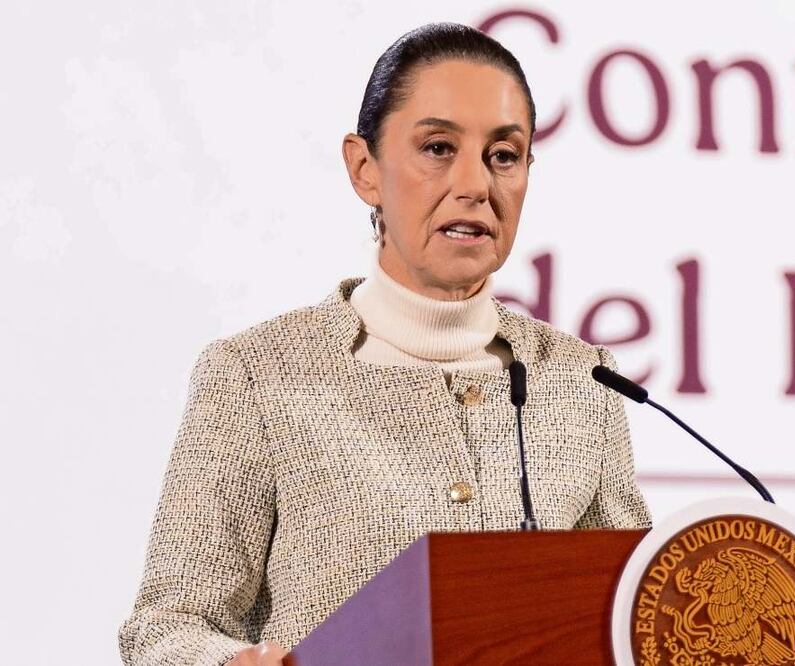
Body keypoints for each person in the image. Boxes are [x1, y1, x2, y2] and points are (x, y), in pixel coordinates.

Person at [118, 22, 651, 666]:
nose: (476, 185)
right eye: (437, 147)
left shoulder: (584, 379)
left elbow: (633, 617)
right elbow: (166, 628)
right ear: (364, 168)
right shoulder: (256, 376)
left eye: (504, 155)